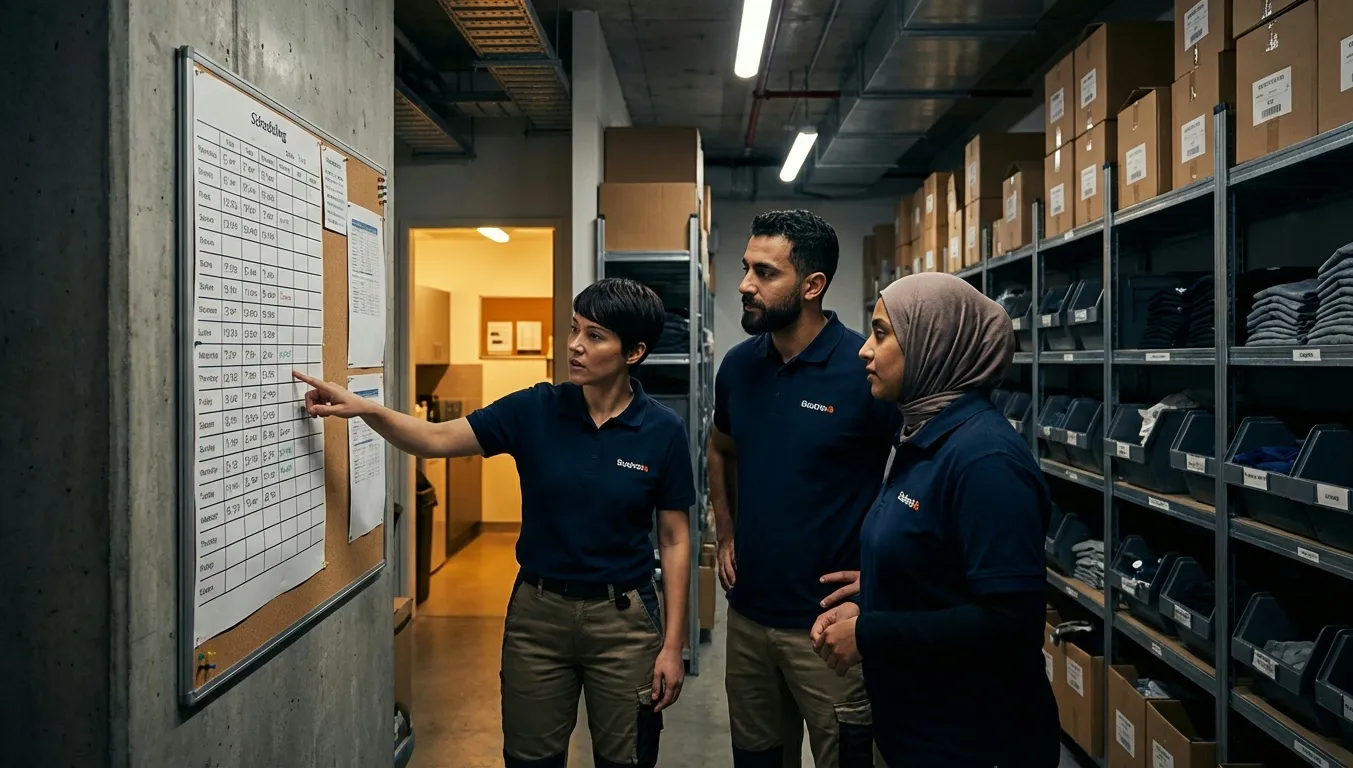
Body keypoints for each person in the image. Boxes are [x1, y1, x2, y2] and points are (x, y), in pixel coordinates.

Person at [293, 278, 696, 768]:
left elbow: (675, 540)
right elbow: (435, 439)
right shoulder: (536, 409)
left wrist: (673, 646)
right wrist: (367, 410)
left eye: (595, 336)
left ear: (633, 352)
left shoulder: (662, 430)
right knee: (530, 758)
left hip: (625, 621)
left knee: (626, 758)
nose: (574, 345)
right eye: (574, 329)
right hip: (538, 617)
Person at [810, 273, 1060, 768]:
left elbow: (1010, 623)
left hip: (974, 741)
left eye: (881, 333)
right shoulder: (926, 435)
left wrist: (870, 634)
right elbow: (944, 564)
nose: (864, 350)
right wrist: (881, 589)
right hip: (915, 727)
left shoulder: (984, 461)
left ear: (934, 343)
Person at [708, 209, 901, 768]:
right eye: (747, 268)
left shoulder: (863, 368)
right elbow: (720, 448)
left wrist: (885, 574)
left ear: (812, 286)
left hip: (827, 628)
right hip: (747, 620)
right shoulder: (739, 368)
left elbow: (919, 477)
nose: (745, 284)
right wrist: (725, 534)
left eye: (765, 273)